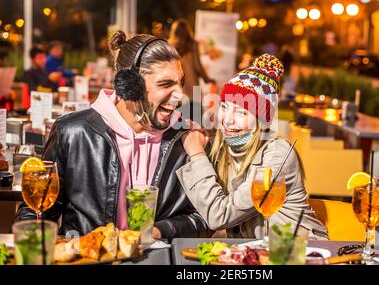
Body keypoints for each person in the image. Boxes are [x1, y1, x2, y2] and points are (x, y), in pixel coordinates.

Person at [16, 31, 212, 241]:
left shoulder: (188, 139)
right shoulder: (73, 133)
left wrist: (157, 231)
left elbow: (206, 219)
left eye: (180, 82)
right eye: (165, 84)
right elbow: (36, 212)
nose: (179, 94)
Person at [176, 54, 328, 240]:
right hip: (258, 255)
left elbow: (218, 216)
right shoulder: (225, 149)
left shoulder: (277, 155)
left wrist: (197, 154)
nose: (228, 119)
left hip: (298, 253)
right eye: (224, 107)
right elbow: (203, 208)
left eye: (240, 112)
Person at [169, 19, 214, 122]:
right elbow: (197, 66)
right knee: (196, 123)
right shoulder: (193, 44)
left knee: (178, 124)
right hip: (194, 90)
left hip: (178, 89)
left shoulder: (170, 45)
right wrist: (207, 79)